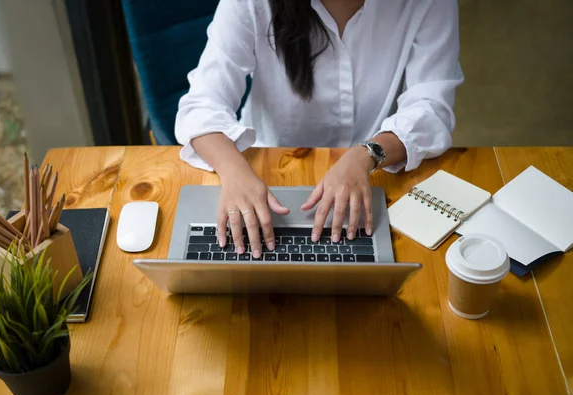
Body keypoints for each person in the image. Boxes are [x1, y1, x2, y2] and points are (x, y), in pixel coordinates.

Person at [175, 0, 463, 259]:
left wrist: (367, 154)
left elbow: (431, 105)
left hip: (373, 171)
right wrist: (233, 171)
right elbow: (201, 105)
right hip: (267, 172)